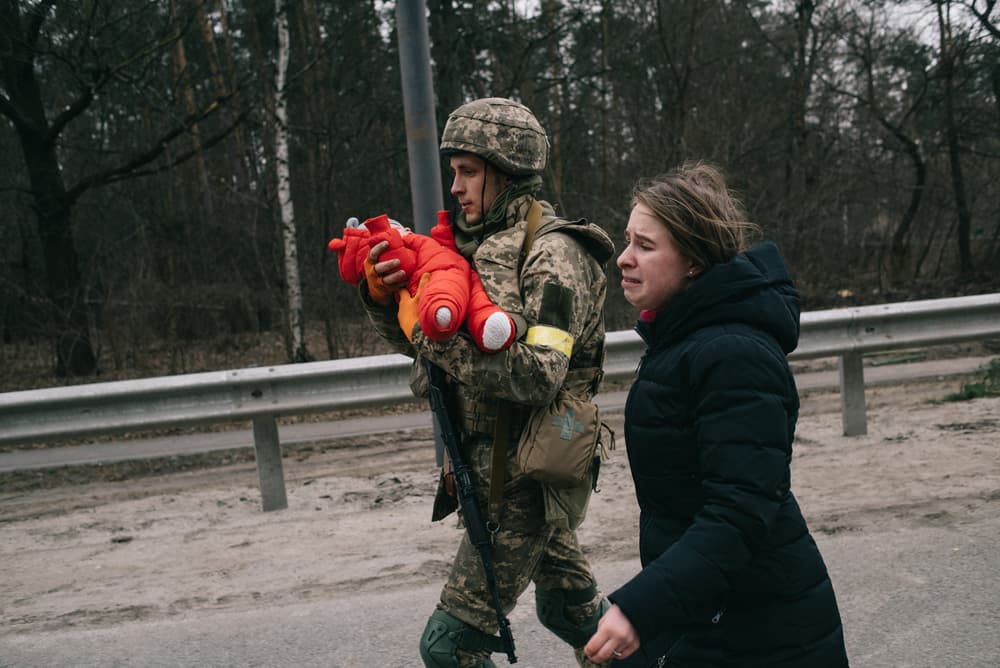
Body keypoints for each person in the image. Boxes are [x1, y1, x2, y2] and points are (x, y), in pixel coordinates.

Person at [356, 97, 616, 667]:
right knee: (571, 611)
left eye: (468, 172)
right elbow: (424, 348)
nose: (455, 187)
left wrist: (433, 337)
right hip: (487, 466)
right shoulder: (466, 250)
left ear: (508, 173)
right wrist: (384, 298)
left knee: (448, 646)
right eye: (453, 172)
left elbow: (541, 375)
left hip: (525, 475)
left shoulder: (555, 254)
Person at [584, 162, 849, 667]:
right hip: (711, 609)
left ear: (693, 262)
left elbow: (740, 513)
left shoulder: (733, 355)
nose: (623, 258)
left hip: (763, 629)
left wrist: (640, 608)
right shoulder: (685, 340)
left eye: (645, 245)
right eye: (628, 240)